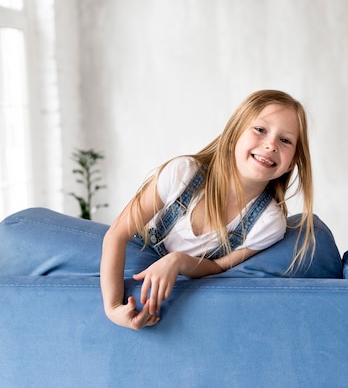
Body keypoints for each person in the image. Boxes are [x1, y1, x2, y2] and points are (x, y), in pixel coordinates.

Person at [100, 89, 316, 330]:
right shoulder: (183, 173)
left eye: (285, 140)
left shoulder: (268, 223)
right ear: (234, 135)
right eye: (260, 130)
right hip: (138, 249)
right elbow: (117, 234)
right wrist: (112, 308)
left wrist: (179, 261)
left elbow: (218, 267)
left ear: (292, 163)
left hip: (180, 269)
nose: (271, 145)